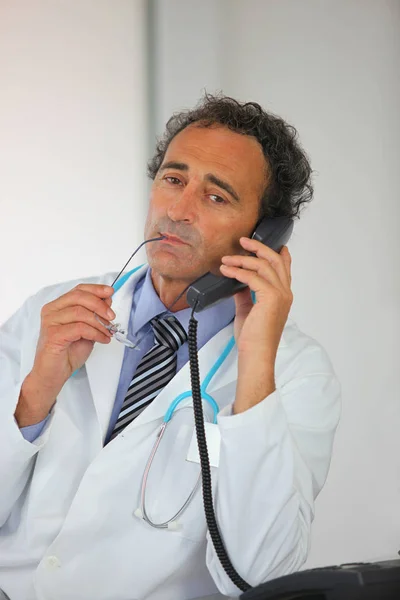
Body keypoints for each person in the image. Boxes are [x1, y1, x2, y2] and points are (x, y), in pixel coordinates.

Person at [0, 94, 341, 600]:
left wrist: (255, 369)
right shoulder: (50, 313)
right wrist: (35, 396)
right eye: (173, 179)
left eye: (217, 196)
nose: (177, 211)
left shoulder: (296, 372)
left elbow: (259, 572)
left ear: (264, 235)